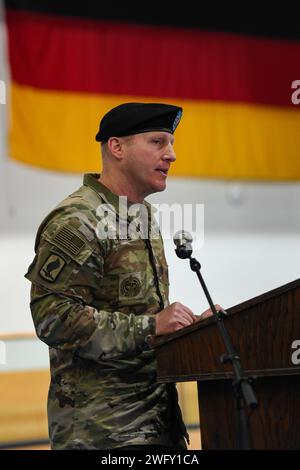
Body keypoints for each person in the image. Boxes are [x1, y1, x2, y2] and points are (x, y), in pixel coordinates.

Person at [25, 102, 220, 450]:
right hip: (101, 433)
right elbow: (53, 318)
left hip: (158, 423)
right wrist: (152, 326)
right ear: (117, 148)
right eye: (158, 142)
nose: (171, 155)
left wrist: (192, 330)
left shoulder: (141, 215)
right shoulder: (77, 220)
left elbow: (141, 318)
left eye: (171, 143)